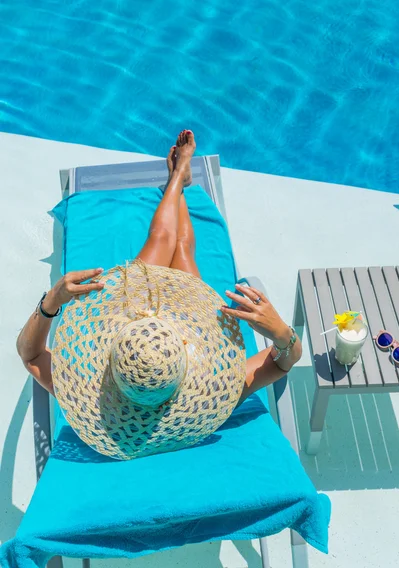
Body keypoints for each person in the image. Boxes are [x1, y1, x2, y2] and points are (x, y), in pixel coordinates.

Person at [16, 130, 302, 459]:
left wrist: (51, 303)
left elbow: (30, 354)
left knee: (162, 242)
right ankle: (179, 177)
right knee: (179, 249)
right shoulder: (210, 394)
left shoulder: (94, 401)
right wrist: (280, 332)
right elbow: (284, 361)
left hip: (139, 326)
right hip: (178, 330)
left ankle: (178, 176)